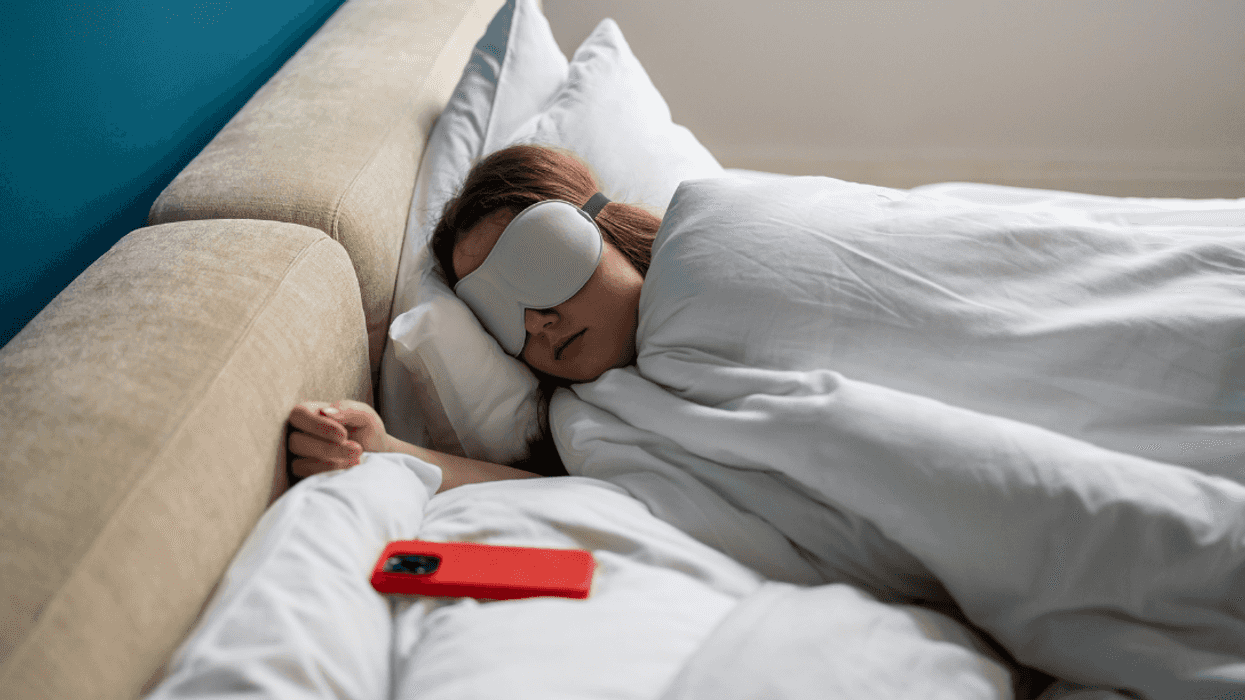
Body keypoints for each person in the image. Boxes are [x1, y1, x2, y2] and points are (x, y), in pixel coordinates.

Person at [287, 144, 657, 482]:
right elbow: (554, 493)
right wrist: (379, 450)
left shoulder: (703, 251)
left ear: (602, 225)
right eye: (494, 311)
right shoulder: (576, 424)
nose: (534, 322)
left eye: (538, 265)